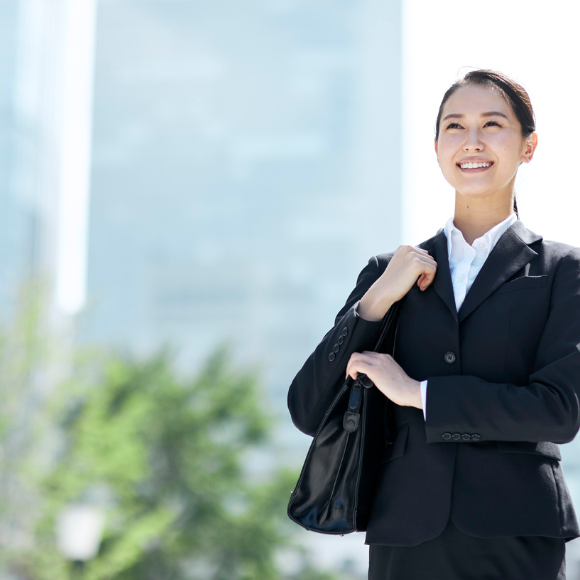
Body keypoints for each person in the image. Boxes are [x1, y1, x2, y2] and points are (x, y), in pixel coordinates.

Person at [287, 69, 580, 580]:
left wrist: (420, 394)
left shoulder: (562, 271)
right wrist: (375, 301)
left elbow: (559, 412)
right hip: (406, 534)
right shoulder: (389, 273)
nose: (472, 141)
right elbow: (309, 408)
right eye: (454, 126)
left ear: (528, 147)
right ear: (437, 147)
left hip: (517, 535)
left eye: (492, 125)